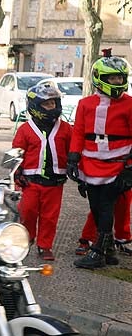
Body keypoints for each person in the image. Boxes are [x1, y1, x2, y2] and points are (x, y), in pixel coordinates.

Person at [69, 56, 132, 269]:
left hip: (117, 165)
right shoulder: (85, 104)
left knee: (105, 207)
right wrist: (73, 157)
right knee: (95, 207)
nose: (116, 82)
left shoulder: (130, 105)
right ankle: (109, 250)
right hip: (90, 165)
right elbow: (78, 132)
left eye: (119, 78)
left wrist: (129, 169)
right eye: (111, 78)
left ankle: (97, 252)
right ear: (99, 78)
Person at [11, 83, 72, 262]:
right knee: (27, 211)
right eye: (47, 104)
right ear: (35, 106)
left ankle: (45, 246)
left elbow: (73, 149)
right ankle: (27, 238)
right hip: (30, 181)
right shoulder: (25, 129)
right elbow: (16, 152)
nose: (51, 107)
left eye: (54, 103)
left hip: (55, 183)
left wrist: (76, 164)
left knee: (50, 216)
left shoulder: (66, 128)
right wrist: (17, 171)